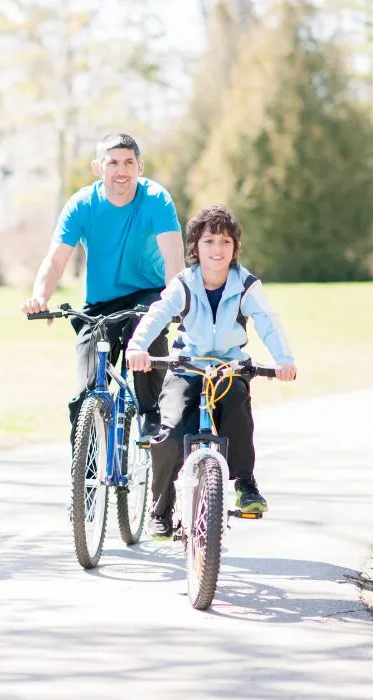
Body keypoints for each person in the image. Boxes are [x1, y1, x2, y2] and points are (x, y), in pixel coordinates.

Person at [124, 204, 298, 538]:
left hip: (228, 367)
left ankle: (245, 484)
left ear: (235, 249)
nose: (217, 249)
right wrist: (138, 346)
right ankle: (160, 508)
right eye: (209, 242)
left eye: (225, 242)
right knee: (171, 433)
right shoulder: (184, 284)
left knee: (238, 411)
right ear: (195, 248)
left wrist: (283, 359)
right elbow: (159, 314)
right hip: (187, 366)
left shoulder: (245, 284)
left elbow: (267, 321)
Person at [21, 133, 185, 444]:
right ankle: (89, 475)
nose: (121, 170)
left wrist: (176, 303)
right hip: (101, 302)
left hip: (148, 294)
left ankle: (151, 413)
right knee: (87, 391)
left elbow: (173, 258)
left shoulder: (156, 199)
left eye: (128, 162)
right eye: (113, 163)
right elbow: (55, 261)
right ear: (98, 168)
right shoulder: (82, 204)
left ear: (140, 167)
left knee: (145, 326)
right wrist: (40, 297)